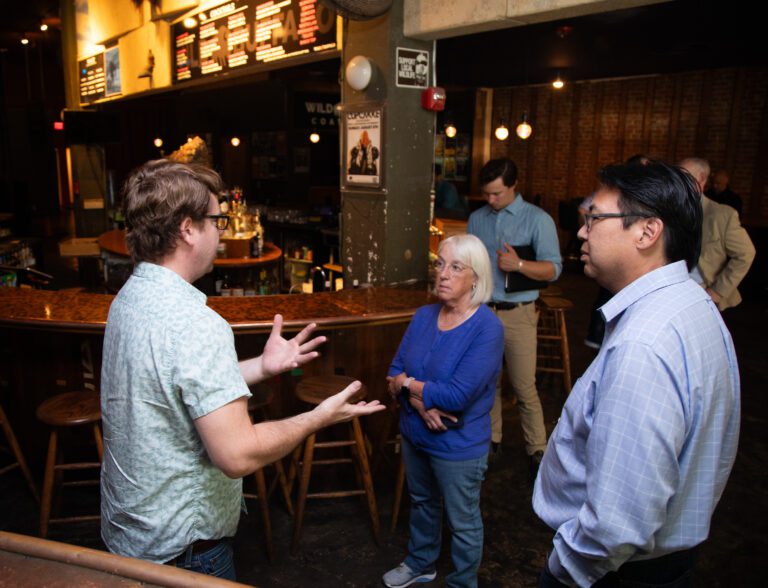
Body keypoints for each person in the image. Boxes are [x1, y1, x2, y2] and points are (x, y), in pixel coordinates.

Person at [100, 159, 385, 579]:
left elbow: (174, 385)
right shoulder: (196, 323)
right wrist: (318, 417)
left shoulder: (129, 297)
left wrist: (262, 366)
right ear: (187, 228)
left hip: (128, 532)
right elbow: (238, 454)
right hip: (183, 548)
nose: (222, 231)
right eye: (217, 219)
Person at [534, 161, 741, 587]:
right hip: (667, 562)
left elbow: (617, 523)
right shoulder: (692, 303)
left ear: (647, 232)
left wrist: (563, 571)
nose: (582, 231)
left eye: (594, 218)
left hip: (618, 573)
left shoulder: (644, 344)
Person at [382, 234, 503, 588]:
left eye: (455, 267)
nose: (443, 274)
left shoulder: (487, 329)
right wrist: (419, 402)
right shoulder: (423, 316)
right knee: (422, 502)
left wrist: (409, 385)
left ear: (476, 278)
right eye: (439, 264)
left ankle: (463, 582)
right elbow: (393, 373)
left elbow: (456, 396)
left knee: (462, 520)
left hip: (458, 444)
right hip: (417, 431)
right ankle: (421, 563)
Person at [467, 158, 561, 471]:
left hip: (519, 313)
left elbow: (554, 269)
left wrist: (519, 265)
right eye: (487, 194)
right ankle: (492, 440)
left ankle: (537, 448)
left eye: (496, 194)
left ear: (513, 186)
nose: (490, 200)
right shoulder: (476, 219)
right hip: (482, 312)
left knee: (523, 385)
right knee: (487, 382)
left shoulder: (538, 220)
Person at [680, 157, 755, 311]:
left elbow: (745, 254)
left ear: (701, 178)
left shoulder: (723, 215)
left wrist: (717, 291)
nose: (677, 180)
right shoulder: (667, 209)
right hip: (671, 289)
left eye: (683, 175)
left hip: (702, 292)